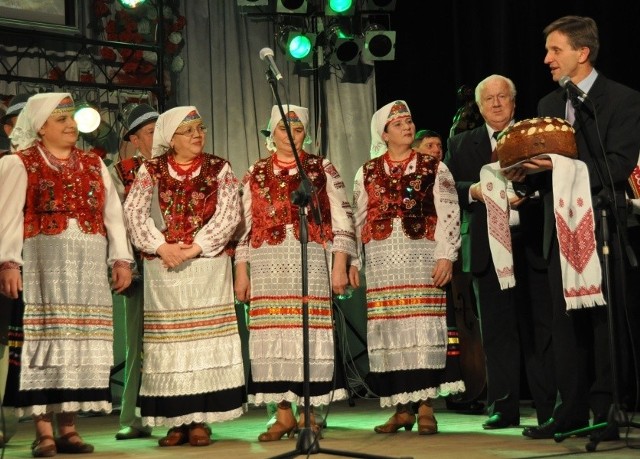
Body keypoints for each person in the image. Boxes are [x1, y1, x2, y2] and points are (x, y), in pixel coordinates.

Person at [507, 15, 640, 440]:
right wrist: (526, 174)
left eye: (555, 50)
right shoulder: (548, 105)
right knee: (564, 325)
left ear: (582, 53)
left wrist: (558, 165)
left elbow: (618, 164)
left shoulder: (622, 100)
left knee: (604, 325)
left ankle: (608, 409)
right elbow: (548, 172)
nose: (546, 59)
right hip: (557, 230)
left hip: (603, 227)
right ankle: (571, 409)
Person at [0, 92, 134, 456]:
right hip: (44, 266)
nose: (71, 125)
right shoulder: (19, 163)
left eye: (72, 118)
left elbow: (113, 216)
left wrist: (120, 260)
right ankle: (43, 431)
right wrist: (9, 262)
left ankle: (69, 428)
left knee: (77, 344)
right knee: (46, 343)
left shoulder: (94, 164)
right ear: (40, 127)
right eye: (61, 120)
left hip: (87, 269)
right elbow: (8, 216)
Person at [123, 106, 246, 447]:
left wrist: (195, 247)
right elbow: (133, 212)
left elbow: (229, 213)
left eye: (200, 128)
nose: (197, 135)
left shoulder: (219, 167)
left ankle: (201, 421)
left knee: (205, 342)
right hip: (165, 268)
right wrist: (162, 247)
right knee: (170, 344)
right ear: (170, 138)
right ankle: (174, 421)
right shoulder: (152, 169)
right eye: (188, 130)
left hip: (205, 264)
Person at [233, 104, 356, 442]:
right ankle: (283, 413)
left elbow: (342, 218)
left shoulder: (321, 168)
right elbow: (244, 226)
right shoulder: (255, 172)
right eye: (283, 129)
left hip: (310, 258)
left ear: (306, 134)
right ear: (271, 134)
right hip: (266, 263)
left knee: (307, 332)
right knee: (273, 335)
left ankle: (309, 413)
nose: (290, 136)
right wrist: (241, 273)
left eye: (297, 129)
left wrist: (341, 264)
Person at [445, 75, 556, 430]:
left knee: (539, 329)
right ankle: (503, 407)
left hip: (531, 244)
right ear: (479, 106)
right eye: (489, 99)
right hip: (486, 249)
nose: (496, 104)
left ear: (513, 101)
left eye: (502, 97)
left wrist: (531, 191)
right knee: (496, 331)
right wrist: (475, 191)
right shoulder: (461, 144)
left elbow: (554, 178)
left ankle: (547, 408)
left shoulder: (534, 136)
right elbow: (448, 189)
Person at [352, 100, 463, 436]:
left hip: (422, 257)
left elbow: (449, 213)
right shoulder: (367, 171)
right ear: (383, 134)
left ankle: (427, 406)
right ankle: (402, 409)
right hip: (383, 260)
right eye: (398, 124)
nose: (407, 127)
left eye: (409, 121)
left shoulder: (434, 167)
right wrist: (354, 260)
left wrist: (447, 255)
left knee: (421, 327)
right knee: (391, 330)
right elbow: (358, 218)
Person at [109, 103, 159, 441]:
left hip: (176, 262)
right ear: (136, 139)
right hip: (140, 265)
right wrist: (122, 261)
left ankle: (176, 412)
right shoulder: (121, 171)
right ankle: (133, 415)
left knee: (173, 339)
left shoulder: (181, 167)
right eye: (152, 132)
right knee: (138, 343)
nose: (158, 137)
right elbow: (114, 220)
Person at [0, 92, 31, 448]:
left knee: (19, 343)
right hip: (6, 263)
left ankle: (11, 417)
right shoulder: (8, 164)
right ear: (9, 128)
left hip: (27, 265)